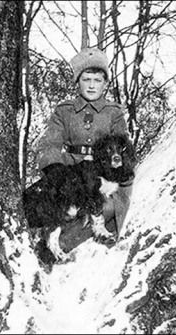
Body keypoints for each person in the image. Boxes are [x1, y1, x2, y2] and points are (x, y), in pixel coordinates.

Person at [36, 48, 133, 252]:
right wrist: (54, 168)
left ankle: (55, 248)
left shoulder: (113, 112)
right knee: (43, 202)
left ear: (105, 83)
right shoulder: (65, 111)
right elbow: (50, 143)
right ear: (77, 81)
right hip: (72, 172)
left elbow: (123, 147)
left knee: (103, 207)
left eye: (97, 80)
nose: (91, 85)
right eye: (86, 79)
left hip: (104, 176)